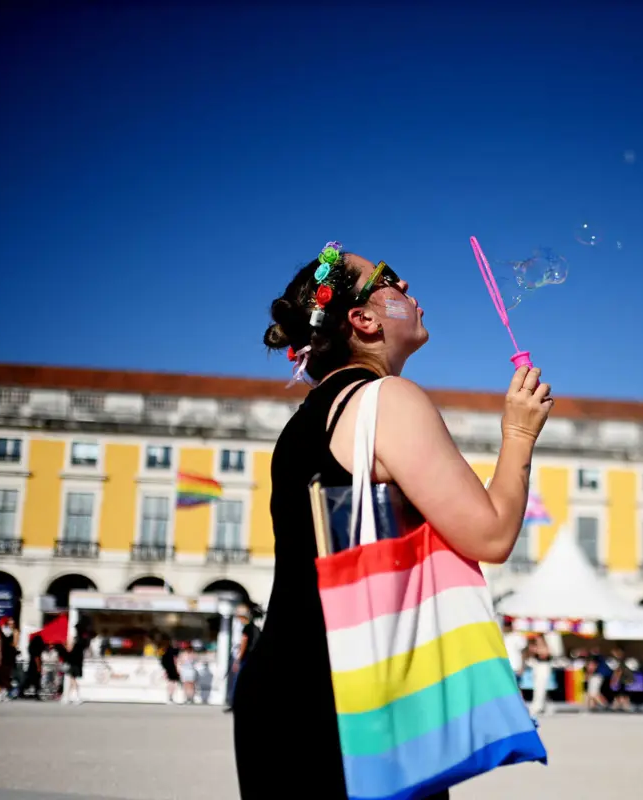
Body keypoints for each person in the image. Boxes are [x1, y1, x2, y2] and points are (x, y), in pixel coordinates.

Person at [233, 242, 554, 799]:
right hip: (356, 702)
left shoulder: (303, 422)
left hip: (280, 688)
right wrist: (520, 435)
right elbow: (493, 533)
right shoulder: (389, 400)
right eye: (392, 281)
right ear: (362, 318)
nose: (409, 290)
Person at [224, 604, 259, 713]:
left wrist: (238, 659)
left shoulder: (246, 628)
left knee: (237, 681)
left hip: (245, 658)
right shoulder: (255, 628)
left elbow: (244, 642)